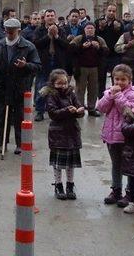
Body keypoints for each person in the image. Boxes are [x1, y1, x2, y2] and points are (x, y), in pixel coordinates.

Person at [0, 18, 41, 155]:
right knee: (0, 117)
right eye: (7, 31)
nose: (9, 34)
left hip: (20, 87)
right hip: (2, 87)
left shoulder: (28, 46)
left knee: (20, 118)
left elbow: (37, 66)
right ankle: (2, 143)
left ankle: (20, 144)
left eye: (12, 31)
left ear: (18, 31)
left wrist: (26, 66)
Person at [96, 64, 134, 208]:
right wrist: (110, 95)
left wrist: (118, 95)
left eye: (123, 80)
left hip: (127, 135)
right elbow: (101, 108)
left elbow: (129, 111)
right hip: (112, 135)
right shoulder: (109, 92)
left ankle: (130, 192)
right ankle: (116, 190)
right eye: (117, 79)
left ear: (130, 80)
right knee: (116, 164)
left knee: (129, 165)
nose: (119, 83)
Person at [42, 69, 84, 200]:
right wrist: (67, 110)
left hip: (72, 132)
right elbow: (53, 113)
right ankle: (58, 185)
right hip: (58, 134)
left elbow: (78, 107)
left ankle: (70, 185)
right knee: (58, 164)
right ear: (53, 84)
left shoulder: (71, 94)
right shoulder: (51, 96)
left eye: (65, 83)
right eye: (59, 83)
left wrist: (79, 111)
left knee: (71, 164)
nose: (63, 86)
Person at [33, 9, 69, 121]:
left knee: (58, 87)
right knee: (41, 86)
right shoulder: (39, 30)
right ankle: (39, 110)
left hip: (58, 62)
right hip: (44, 62)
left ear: (55, 17)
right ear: (45, 17)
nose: (50, 17)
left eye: (52, 15)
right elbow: (36, 44)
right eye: (48, 15)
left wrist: (57, 36)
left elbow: (65, 45)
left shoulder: (61, 30)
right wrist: (48, 36)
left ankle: (57, 110)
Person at [70, 22, 109, 116]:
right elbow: (70, 49)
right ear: (84, 30)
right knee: (80, 89)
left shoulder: (99, 39)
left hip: (95, 68)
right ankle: (80, 108)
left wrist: (99, 48)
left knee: (93, 89)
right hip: (82, 67)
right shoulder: (79, 38)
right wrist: (82, 47)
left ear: (95, 30)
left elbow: (106, 51)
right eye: (88, 28)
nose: (90, 30)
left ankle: (91, 108)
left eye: (92, 28)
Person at [96, 5, 124, 95]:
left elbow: (122, 38)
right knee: (100, 80)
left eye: (113, 11)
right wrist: (100, 29)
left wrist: (118, 29)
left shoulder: (119, 23)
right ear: (105, 11)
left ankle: (115, 100)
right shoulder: (98, 22)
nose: (111, 13)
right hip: (101, 55)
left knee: (116, 79)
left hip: (114, 56)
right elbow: (95, 36)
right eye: (109, 10)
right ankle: (101, 101)